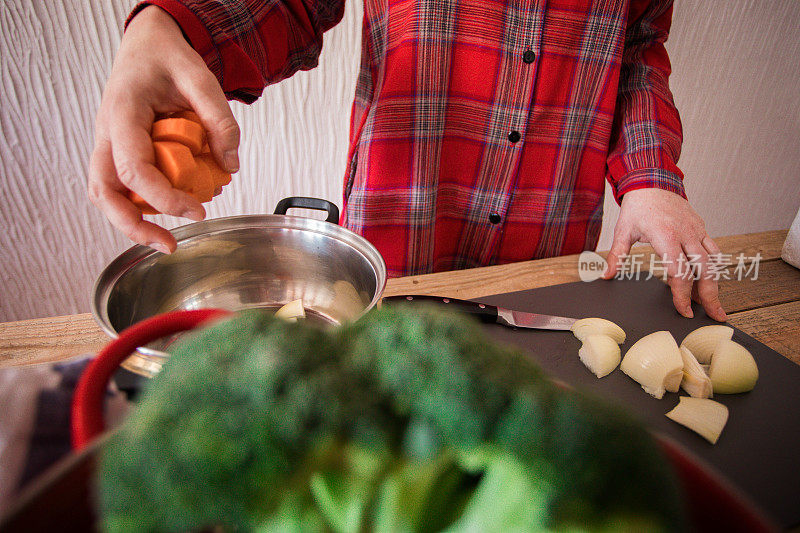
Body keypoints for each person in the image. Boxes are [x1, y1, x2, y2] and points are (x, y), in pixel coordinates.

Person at [87, 0, 727, 322]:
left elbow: (639, 44)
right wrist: (169, 26)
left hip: (548, 245)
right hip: (401, 235)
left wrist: (649, 178)